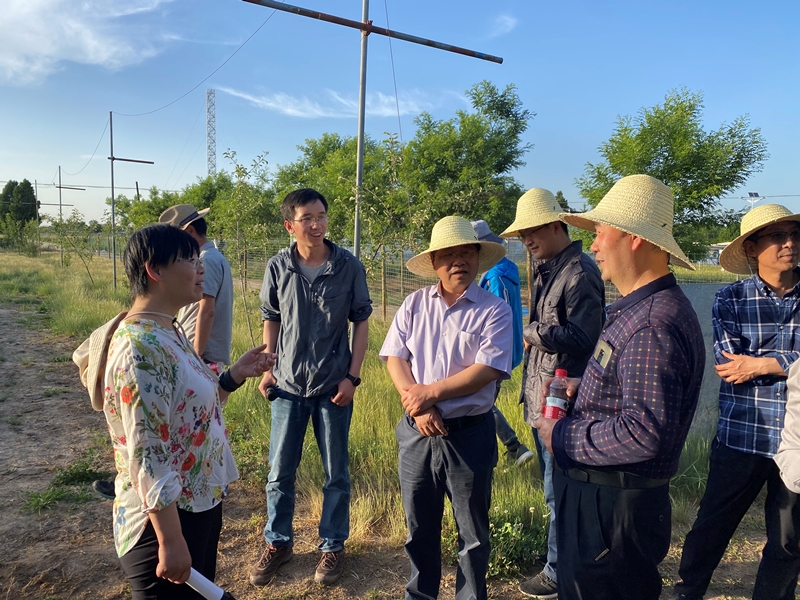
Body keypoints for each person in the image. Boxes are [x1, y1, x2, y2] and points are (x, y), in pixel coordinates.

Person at [73, 224, 275, 599]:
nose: (201, 268)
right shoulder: (140, 348)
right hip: (163, 521)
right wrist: (170, 540)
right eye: (189, 259)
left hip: (193, 504)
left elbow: (186, 407)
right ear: (155, 270)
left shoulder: (168, 331)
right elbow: (147, 454)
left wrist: (231, 377)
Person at [535, 174, 705, 600]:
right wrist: (583, 384)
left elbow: (642, 430)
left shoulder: (651, 323)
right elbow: (632, 397)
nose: (593, 245)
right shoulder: (640, 310)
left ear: (632, 238)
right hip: (609, 502)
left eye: (599, 232)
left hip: (612, 510)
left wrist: (561, 434)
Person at [380, 215, 513, 600]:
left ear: (477, 257)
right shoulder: (414, 304)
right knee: (418, 527)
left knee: (472, 533)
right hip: (417, 432)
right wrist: (418, 405)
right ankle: (420, 595)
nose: (459, 262)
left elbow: (487, 369)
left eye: (467, 253)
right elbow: (394, 358)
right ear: (435, 262)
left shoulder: (494, 310)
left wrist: (432, 394)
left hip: (469, 434)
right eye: (450, 255)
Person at [675, 204, 800, 600]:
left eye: (793, 234)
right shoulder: (731, 298)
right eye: (777, 236)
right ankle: (688, 590)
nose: (790, 243)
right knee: (712, 525)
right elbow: (730, 366)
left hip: (796, 441)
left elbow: (749, 367)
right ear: (751, 248)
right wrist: (793, 365)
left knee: (788, 539)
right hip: (743, 434)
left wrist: (762, 363)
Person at [249, 188, 372, 587]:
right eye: (308, 218)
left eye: (321, 216)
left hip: (332, 385)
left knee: (336, 471)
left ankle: (332, 545)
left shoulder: (348, 266)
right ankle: (278, 542)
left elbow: (361, 323)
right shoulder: (277, 266)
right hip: (286, 386)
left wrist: (352, 377)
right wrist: (268, 366)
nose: (317, 224)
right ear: (290, 225)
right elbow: (272, 316)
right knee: (280, 471)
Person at [497, 188, 605, 599]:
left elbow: (585, 336)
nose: (526, 238)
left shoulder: (578, 271)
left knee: (558, 489)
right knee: (556, 489)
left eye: (533, 229)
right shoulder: (550, 267)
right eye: (522, 232)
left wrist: (531, 332)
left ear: (557, 225)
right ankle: (565, 562)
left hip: (566, 402)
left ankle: (560, 570)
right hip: (547, 399)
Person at [470, 219, 534, 466]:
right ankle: (512, 448)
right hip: (511, 347)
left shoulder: (495, 277)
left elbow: (496, 321)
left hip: (497, 352)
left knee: (479, 403)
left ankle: (513, 447)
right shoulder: (508, 268)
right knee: (483, 402)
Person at [159, 204, 234, 374]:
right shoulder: (212, 257)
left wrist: (196, 356)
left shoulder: (206, 260)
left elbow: (207, 310)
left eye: (177, 238)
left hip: (199, 351)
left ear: (191, 231)